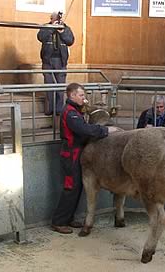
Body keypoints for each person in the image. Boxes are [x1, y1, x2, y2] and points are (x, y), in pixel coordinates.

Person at [51, 83, 118, 234]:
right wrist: (106, 130)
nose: (84, 99)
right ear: (72, 95)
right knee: (70, 187)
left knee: (77, 187)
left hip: (76, 152)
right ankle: (59, 221)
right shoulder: (71, 113)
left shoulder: (75, 110)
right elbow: (84, 130)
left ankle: (68, 218)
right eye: (81, 96)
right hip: (71, 154)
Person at [37, 11, 75, 123]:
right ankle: (50, 109)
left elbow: (70, 41)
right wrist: (52, 27)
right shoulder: (46, 27)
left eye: (58, 18)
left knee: (60, 86)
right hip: (48, 61)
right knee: (49, 85)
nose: (56, 19)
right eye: (54, 18)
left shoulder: (66, 28)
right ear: (51, 18)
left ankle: (59, 109)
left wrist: (62, 31)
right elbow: (40, 37)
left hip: (61, 61)